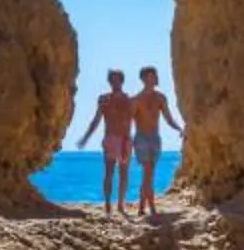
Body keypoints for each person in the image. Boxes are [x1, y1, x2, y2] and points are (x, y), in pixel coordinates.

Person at [75, 70, 135, 213]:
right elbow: (96, 120)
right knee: (109, 172)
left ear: (122, 81)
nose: (115, 83)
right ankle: (108, 204)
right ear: (109, 82)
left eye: (118, 80)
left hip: (125, 139)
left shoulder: (129, 100)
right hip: (110, 138)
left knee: (124, 173)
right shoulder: (104, 99)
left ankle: (120, 204)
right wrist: (86, 137)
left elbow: (135, 120)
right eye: (112, 80)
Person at [129, 67, 183, 218]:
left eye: (154, 76)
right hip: (141, 138)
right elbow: (127, 121)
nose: (153, 79)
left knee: (148, 174)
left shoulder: (160, 98)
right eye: (150, 76)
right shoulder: (136, 100)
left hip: (155, 138)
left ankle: (141, 208)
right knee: (148, 173)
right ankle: (151, 207)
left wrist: (179, 128)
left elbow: (168, 118)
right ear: (143, 79)